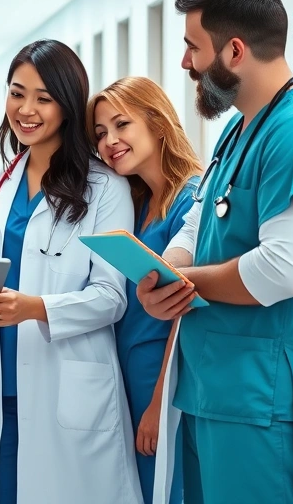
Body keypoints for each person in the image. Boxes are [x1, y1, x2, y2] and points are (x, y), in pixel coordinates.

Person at [137, 0, 293, 504]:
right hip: (218, 392)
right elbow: (200, 221)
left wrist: (181, 282)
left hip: (269, 401)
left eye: (193, 47)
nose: (185, 62)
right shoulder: (240, 128)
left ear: (234, 51)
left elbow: (280, 268)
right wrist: (164, 271)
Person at [0, 39, 142, 504]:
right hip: (2, 387)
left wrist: (34, 308)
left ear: (67, 105)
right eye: (17, 93)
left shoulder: (105, 188)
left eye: (43, 97)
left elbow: (110, 296)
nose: (26, 109)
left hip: (67, 387)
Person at [86, 76, 201, 504]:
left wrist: (158, 405)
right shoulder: (136, 205)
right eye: (100, 134)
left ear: (157, 123)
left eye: (121, 125)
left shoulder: (190, 200)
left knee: (165, 489)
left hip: (161, 376)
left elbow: (184, 312)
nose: (110, 141)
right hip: (129, 372)